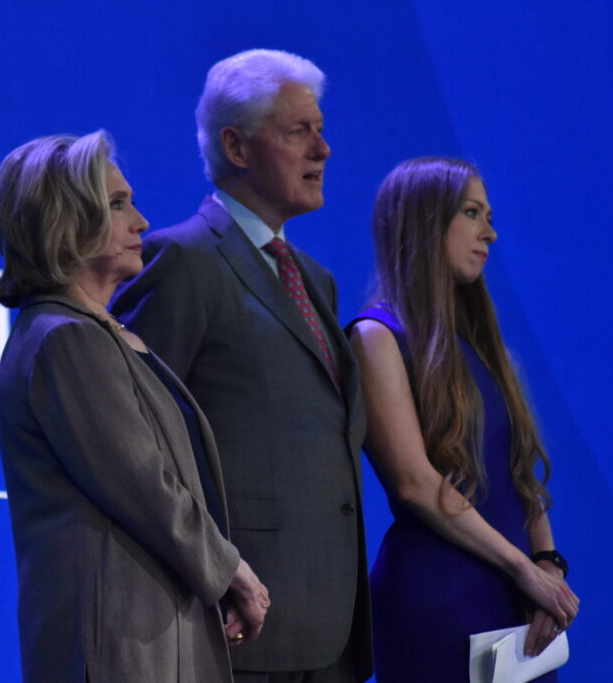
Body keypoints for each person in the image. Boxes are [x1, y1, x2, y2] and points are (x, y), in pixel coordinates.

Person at [112, 50, 372, 682]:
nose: (323, 150)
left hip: (331, 629)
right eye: (299, 131)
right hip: (236, 624)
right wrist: (214, 573)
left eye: (321, 129)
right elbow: (135, 439)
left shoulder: (317, 281)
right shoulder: (181, 260)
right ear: (236, 146)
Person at [0, 131, 270, 683]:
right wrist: (231, 570)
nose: (141, 222)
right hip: (119, 646)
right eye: (117, 204)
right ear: (65, 219)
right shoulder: (64, 339)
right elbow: (145, 488)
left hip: (158, 636)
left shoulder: (97, 334)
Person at [347, 157, 580, 681]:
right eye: (472, 213)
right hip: (441, 599)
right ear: (425, 222)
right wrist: (523, 568)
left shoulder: (479, 345)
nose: (490, 233)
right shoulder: (376, 336)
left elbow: (518, 474)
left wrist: (548, 563)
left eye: (489, 216)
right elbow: (413, 481)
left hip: (520, 599)